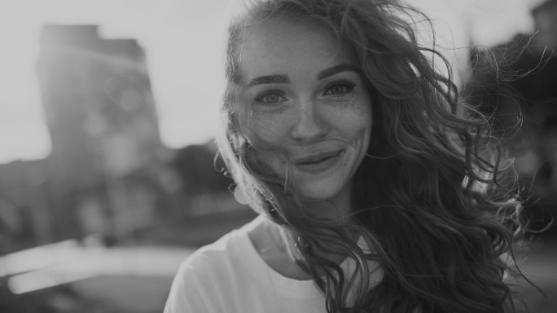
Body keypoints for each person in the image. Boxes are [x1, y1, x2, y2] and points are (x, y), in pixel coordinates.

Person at [164, 0, 525, 312]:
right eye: (272, 96)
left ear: (375, 98)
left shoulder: (447, 243)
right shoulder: (208, 286)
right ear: (237, 116)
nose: (308, 128)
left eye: (337, 88)